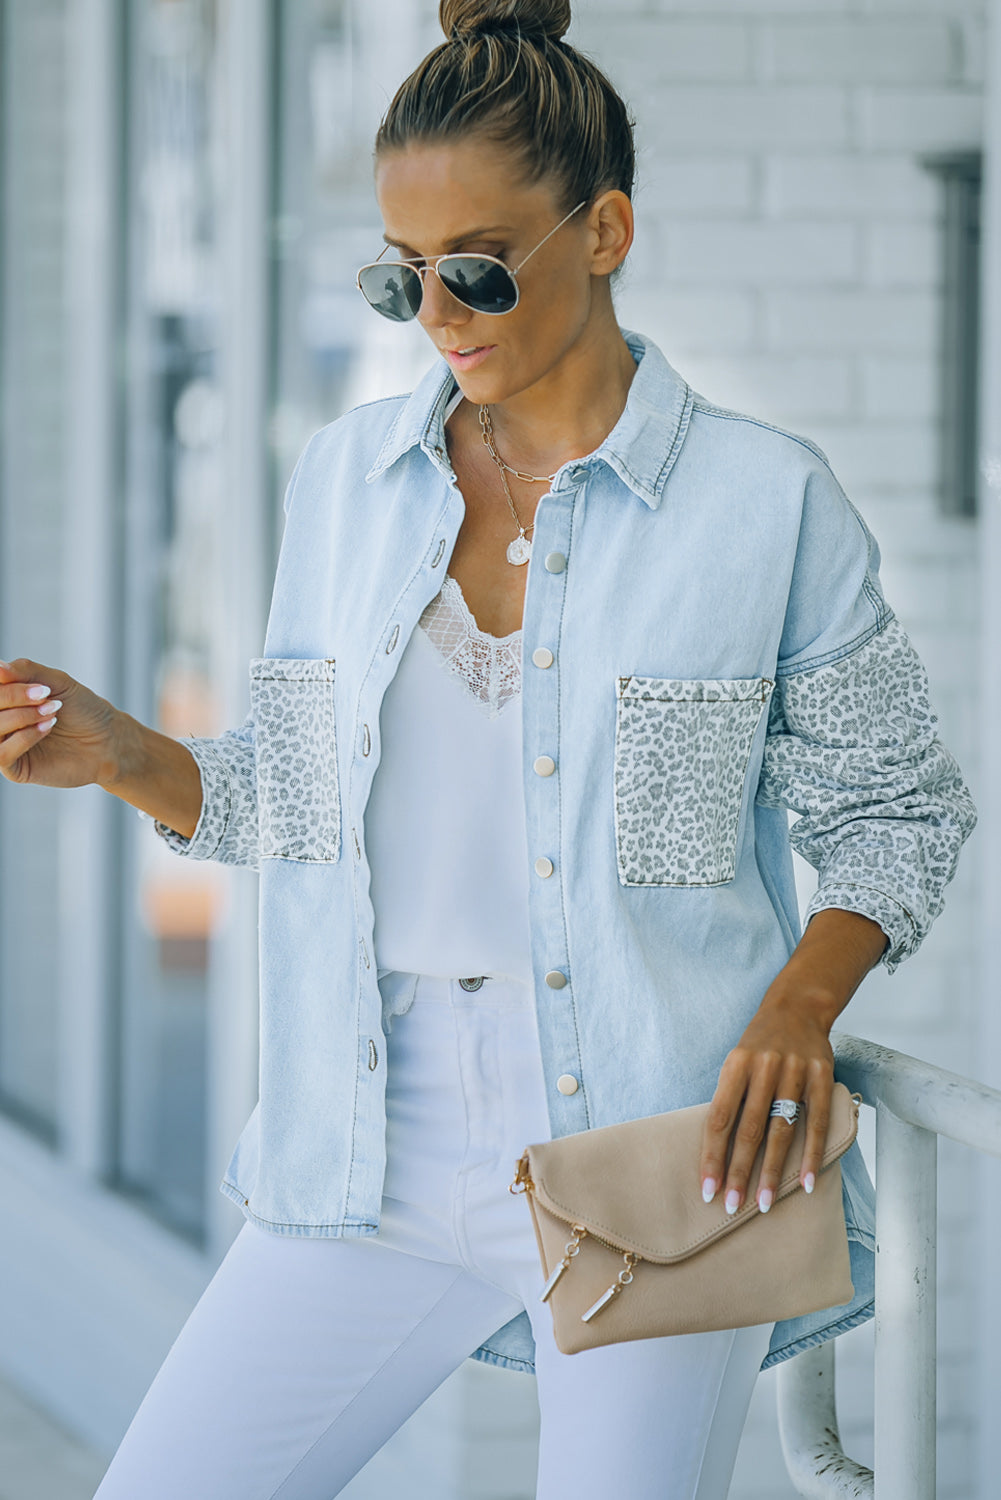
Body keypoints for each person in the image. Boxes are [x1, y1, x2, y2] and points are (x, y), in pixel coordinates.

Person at [0, 1, 977, 1495]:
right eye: (399, 279)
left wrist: (799, 1000)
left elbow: (896, 811)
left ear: (603, 230)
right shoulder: (345, 483)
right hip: (365, 1141)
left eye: (475, 269)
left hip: (656, 1154)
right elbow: (301, 794)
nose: (440, 318)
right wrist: (124, 753)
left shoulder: (761, 505)